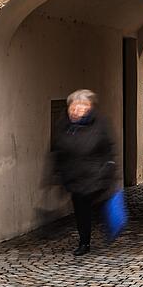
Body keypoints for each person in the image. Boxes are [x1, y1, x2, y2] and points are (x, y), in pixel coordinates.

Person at [51, 89, 116, 256]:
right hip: (75, 176)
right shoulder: (64, 125)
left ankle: (109, 226)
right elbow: (58, 150)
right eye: (73, 106)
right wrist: (57, 174)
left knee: (98, 206)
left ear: (89, 107)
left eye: (81, 106)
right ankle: (84, 242)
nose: (76, 110)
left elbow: (107, 150)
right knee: (81, 211)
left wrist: (107, 171)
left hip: (95, 176)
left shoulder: (99, 124)